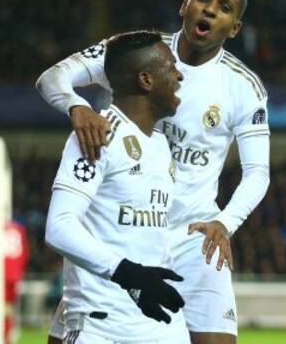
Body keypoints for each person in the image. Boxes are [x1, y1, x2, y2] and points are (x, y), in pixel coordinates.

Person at [37, 0, 270, 344]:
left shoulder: (243, 86)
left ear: (234, 28)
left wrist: (225, 222)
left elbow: (258, 171)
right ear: (185, 4)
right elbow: (53, 77)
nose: (211, 10)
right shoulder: (140, 52)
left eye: (224, 7)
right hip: (120, 233)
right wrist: (76, 106)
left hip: (194, 237)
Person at [44, 30, 189, 343]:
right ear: (146, 80)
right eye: (171, 68)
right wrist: (128, 274)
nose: (179, 75)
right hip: (103, 327)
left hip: (162, 322)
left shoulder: (161, 145)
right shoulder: (98, 135)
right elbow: (59, 227)